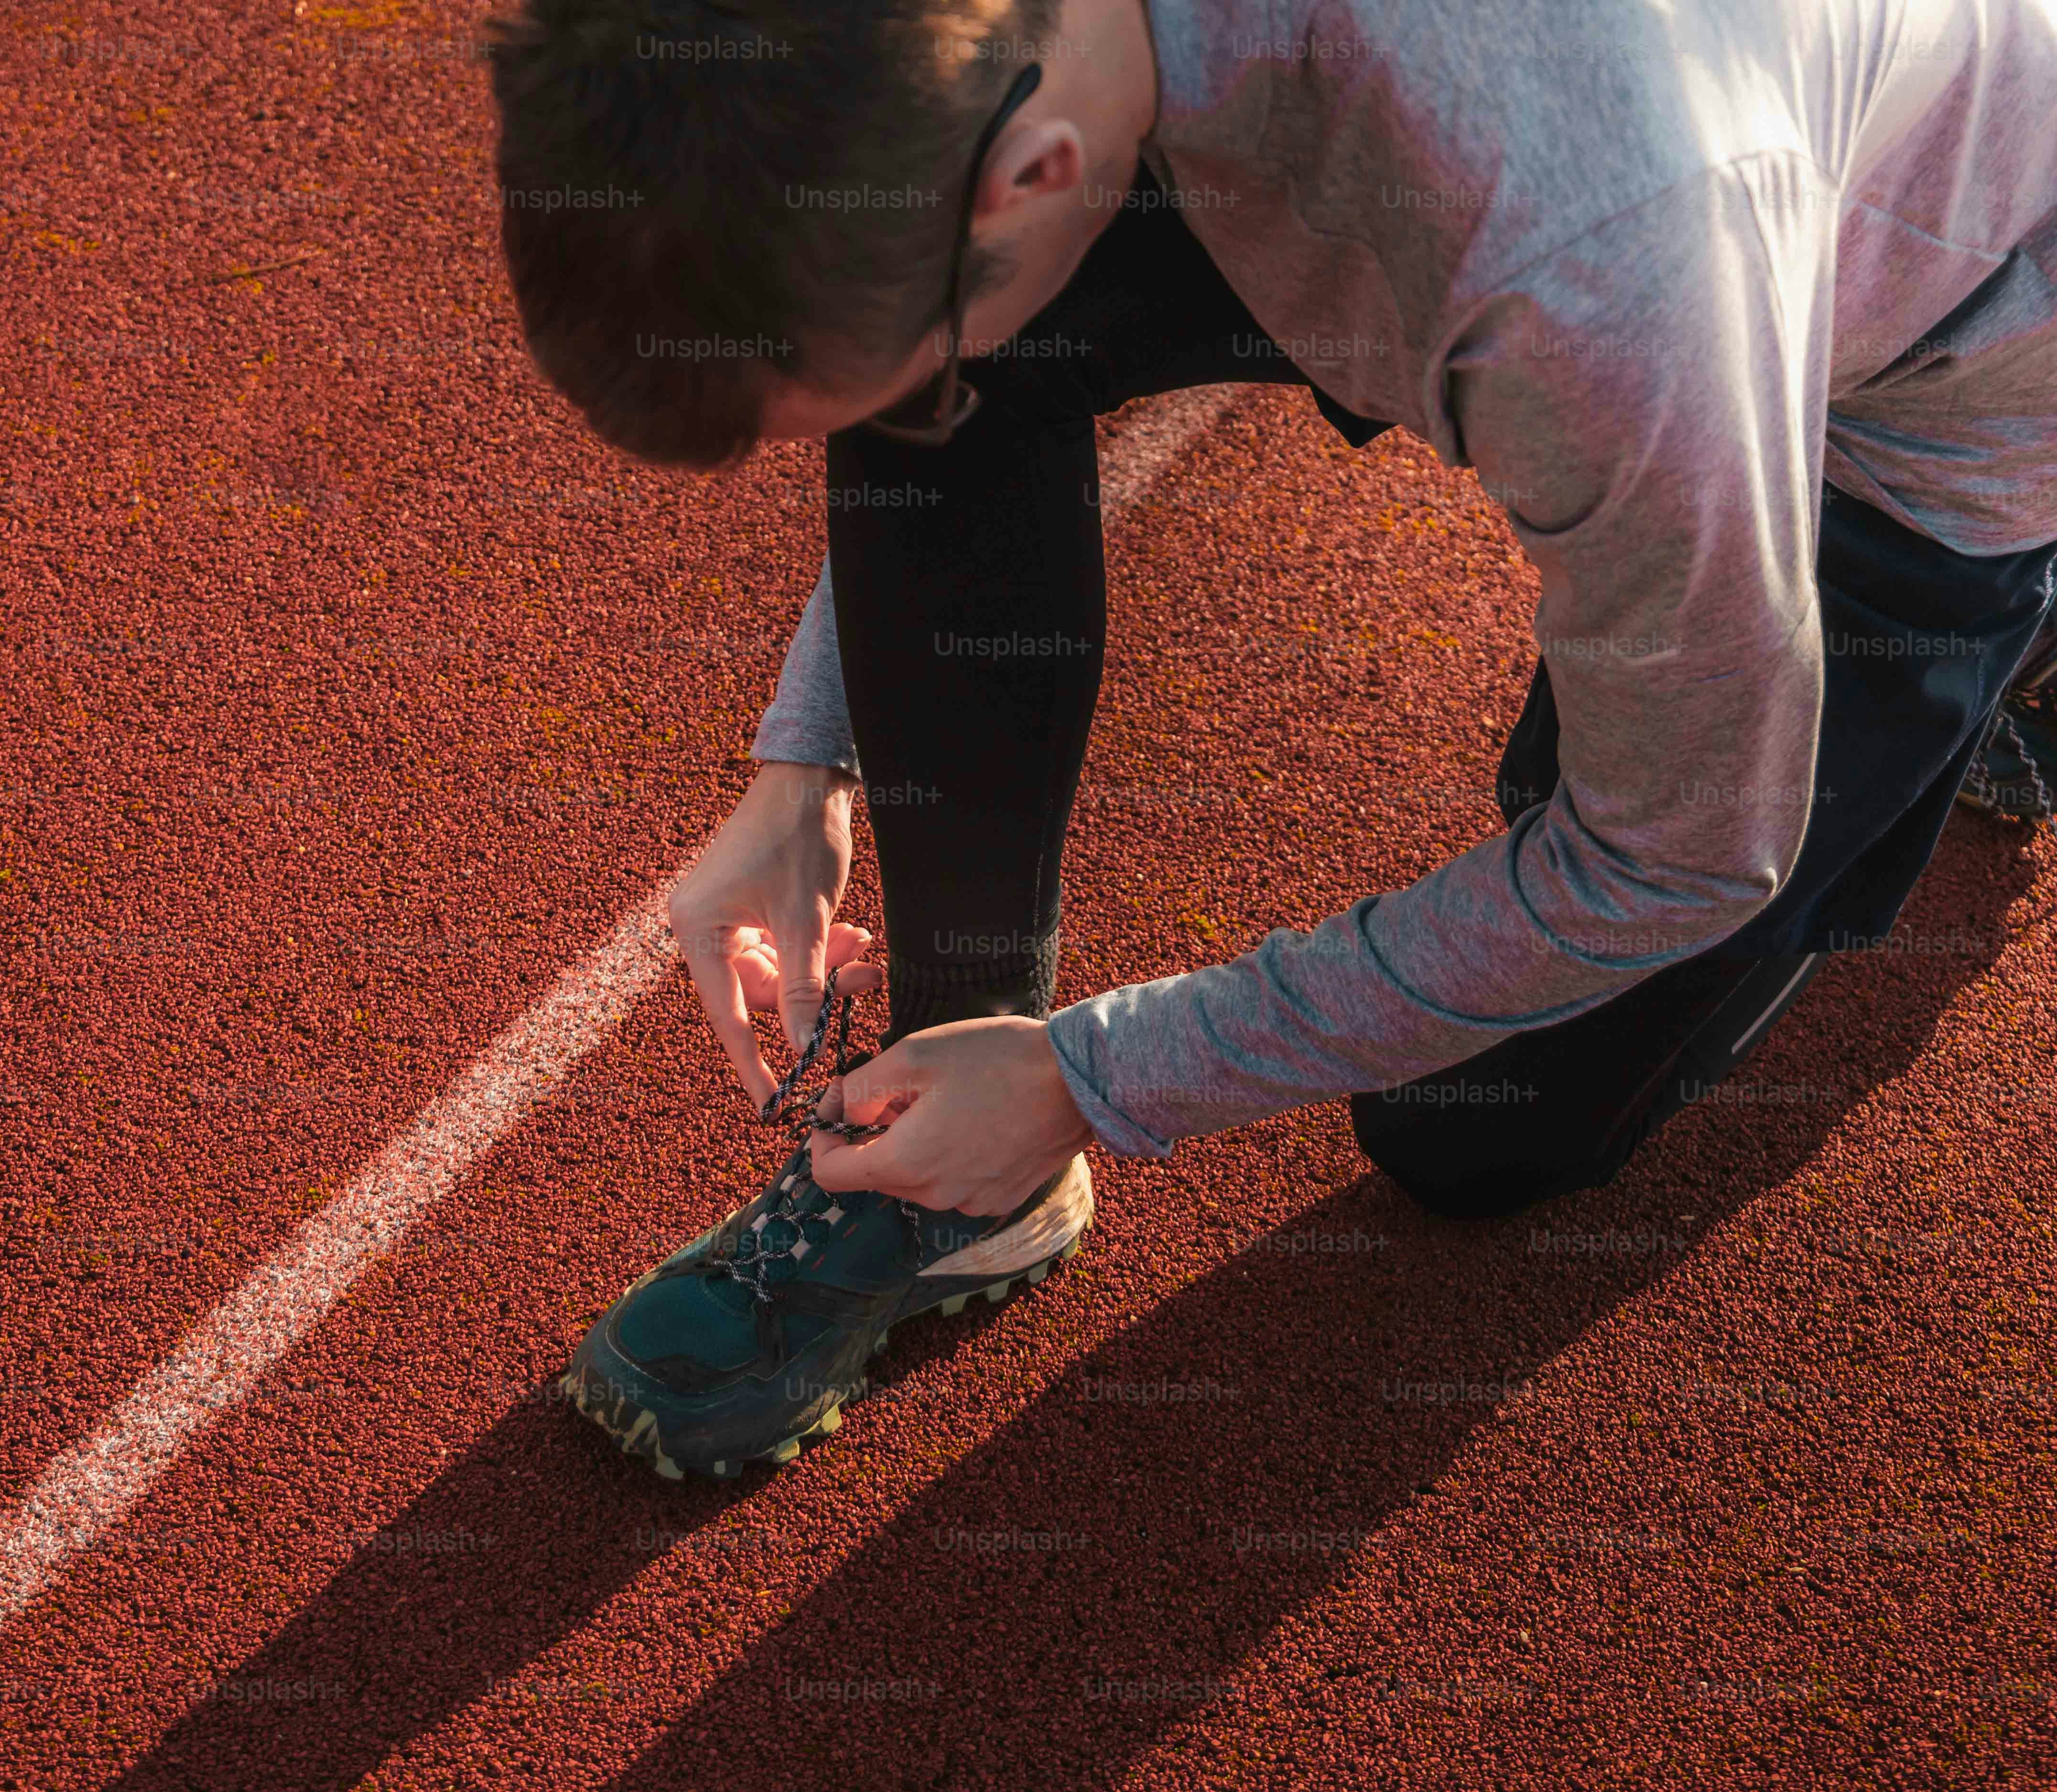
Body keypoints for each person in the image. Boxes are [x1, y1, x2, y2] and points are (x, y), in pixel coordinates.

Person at [485, 0, 2057, 1479]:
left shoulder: (1596, 284)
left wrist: (1098, 1079)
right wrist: (805, 758)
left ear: (1036, 177)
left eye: (887, 381)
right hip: (1491, 135)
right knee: (989, 355)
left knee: (1473, 1131)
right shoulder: (1028, 62)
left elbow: (1682, 852)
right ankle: (956, 1165)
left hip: (1939, 363)